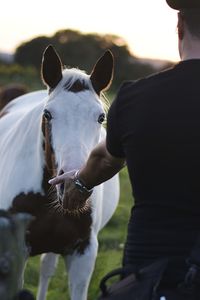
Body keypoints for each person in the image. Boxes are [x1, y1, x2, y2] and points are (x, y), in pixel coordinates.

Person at [49, 0, 200, 298]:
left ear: (179, 28)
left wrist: (78, 183)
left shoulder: (135, 98)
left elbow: (106, 158)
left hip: (154, 275)